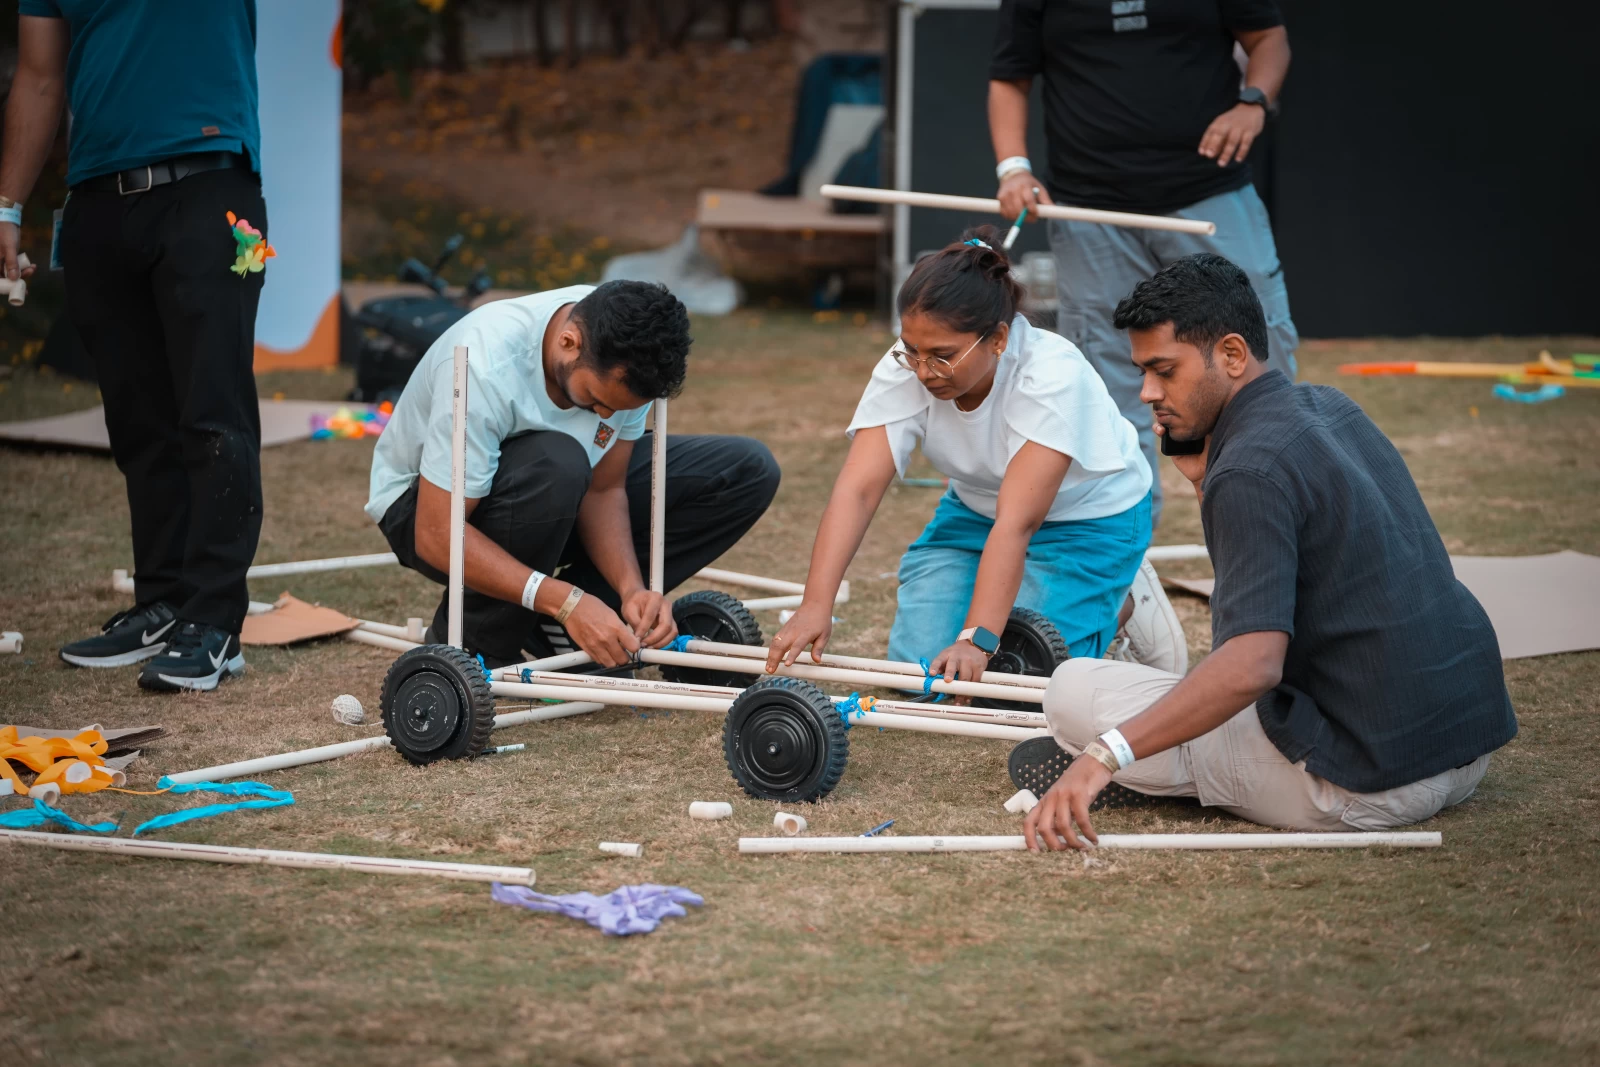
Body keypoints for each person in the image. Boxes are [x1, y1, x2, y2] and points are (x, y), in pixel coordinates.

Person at [1021, 254, 1518, 849]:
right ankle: (1167, 761)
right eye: (1143, 372)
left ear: (1231, 355)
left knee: (1070, 691)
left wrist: (1104, 755)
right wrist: (1206, 483)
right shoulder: (1331, 407)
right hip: (1463, 749)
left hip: (1368, 783)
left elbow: (1253, 663)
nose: (1148, 392)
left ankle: (1156, 775)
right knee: (1169, 696)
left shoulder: (1250, 470)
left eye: (1163, 370)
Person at [767, 229, 1186, 684]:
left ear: (999, 339)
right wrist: (815, 604)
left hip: (1088, 522)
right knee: (919, 678)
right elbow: (859, 489)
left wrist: (975, 640)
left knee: (1020, 680)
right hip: (975, 516)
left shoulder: (1052, 376)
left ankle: (1123, 599)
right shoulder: (908, 364)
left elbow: (1016, 523)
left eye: (942, 356)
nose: (924, 372)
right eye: (912, 350)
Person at [2, 2, 269, 691]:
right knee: (139, 422)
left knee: (214, 414)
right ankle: (165, 600)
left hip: (210, 189)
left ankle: (215, 621)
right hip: (97, 201)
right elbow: (38, 75)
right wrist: (7, 207)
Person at [989, 0, 1299, 526]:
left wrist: (1253, 102)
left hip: (1209, 190)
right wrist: (1013, 168)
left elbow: (1269, 39)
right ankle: (1127, 553)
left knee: (1257, 363)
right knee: (1107, 382)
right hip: (1088, 204)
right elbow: (1008, 76)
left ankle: (1281, 523)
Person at [367, 280, 780, 669]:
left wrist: (630, 589)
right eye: (595, 401)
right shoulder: (485, 363)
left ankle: (566, 628)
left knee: (746, 469)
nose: (605, 416)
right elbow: (436, 535)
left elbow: (604, 490)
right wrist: (565, 600)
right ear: (568, 342)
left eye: (619, 409)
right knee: (558, 461)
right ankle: (479, 644)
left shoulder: (629, 350)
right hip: (423, 511)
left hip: (555, 489)